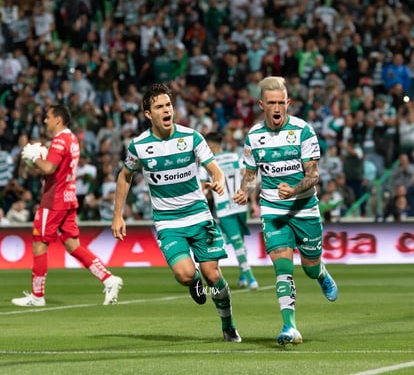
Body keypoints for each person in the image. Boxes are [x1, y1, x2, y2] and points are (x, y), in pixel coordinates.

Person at [111, 83, 241, 343]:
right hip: (168, 222)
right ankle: (193, 283)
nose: (166, 110)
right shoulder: (139, 146)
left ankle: (228, 324)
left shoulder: (191, 137)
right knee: (185, 274)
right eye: (159, 106)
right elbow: (124, 177)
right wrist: (118, 215)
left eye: (168, 104)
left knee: (213, 275)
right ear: (149, 114)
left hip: (199, 216)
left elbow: (214, 168)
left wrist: (218, 180)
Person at [233, 76, 338, 346]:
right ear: (261, 105)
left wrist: (294, 190)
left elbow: (313, 175)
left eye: (281, 102)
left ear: (288, 102)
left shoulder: (303, 131)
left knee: (310, 267)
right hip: (273, 211)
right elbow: (250, 173)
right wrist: (245, 190)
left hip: (304, 208)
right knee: (282, 267)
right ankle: (289, 326)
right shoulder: (253, 137)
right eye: (271, 103)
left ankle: (322, 274)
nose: (277, 108)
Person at [12, 105, 123, 307]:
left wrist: (34, 158)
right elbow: (57, 169)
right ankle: (108, 279)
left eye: (47, 117)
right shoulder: (72, 139)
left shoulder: (60, 140)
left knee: (39, 243)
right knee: (72, 245)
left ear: (58, 120)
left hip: (54, 200)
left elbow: (49, 167)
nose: (45, 121)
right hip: (68, 198)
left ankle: (37, 296)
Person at [200, 131, 258, 290]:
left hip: (224, 207)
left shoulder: (207, 164)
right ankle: (245, 276)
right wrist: (253, 202)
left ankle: (250, 278)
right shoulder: (234, 157)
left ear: (210, 145)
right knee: (239, 241)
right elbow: (248, 177)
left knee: (237, 241)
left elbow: (202, 187)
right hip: (240, 204)